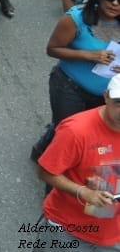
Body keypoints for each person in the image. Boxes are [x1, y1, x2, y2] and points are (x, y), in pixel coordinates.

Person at [32, 0, 120, 161]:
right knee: (68, 130)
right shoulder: (76, 18)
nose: (115, 3)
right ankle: (47, 161)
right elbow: (52, 49)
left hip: (105, 97)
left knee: (86, 133)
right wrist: (88, 55)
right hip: (69, 87)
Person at [36, 73, 120, 249]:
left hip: (113, 236)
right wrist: (83, 192)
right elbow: (45, 171)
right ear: (106, 96)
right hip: (68, 232)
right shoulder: (76, 131)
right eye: (119, 103)